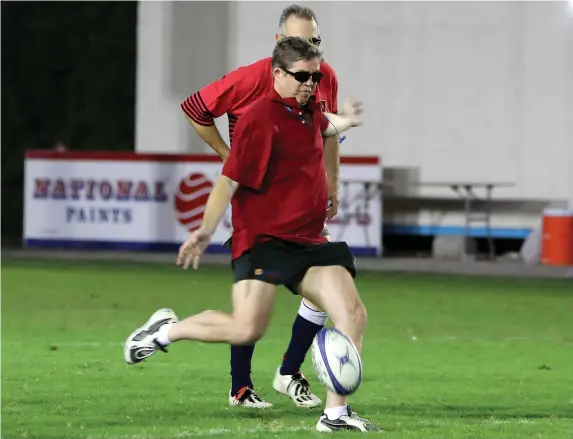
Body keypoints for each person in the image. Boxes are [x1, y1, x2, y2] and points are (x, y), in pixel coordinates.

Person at [125, 36, 379, 433]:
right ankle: (166, 331)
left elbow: (327, 125)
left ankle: (336, 414)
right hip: (265, 240)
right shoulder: (260, 118)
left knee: (352, 313)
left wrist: (345, 119)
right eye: (301, 77)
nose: (310, 85)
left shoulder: (308, 112)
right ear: (277, 74)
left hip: (309, 242)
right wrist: (205, 231)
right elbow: (228, 181)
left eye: (314, 77)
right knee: (247, 328)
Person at [180, 4, 358, 409]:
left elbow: (326, 132)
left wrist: (332, 183)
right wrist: (230, 157)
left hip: (302, 201)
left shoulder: (321, 75)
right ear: (280, 44)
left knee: (325, 291)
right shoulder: (253, 79)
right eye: (300, 40)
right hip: (263, 203)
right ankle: (241, 385)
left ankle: (288, 371)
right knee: (254, 303)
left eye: (315, 40)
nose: (310, 47)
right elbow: (195, 108)